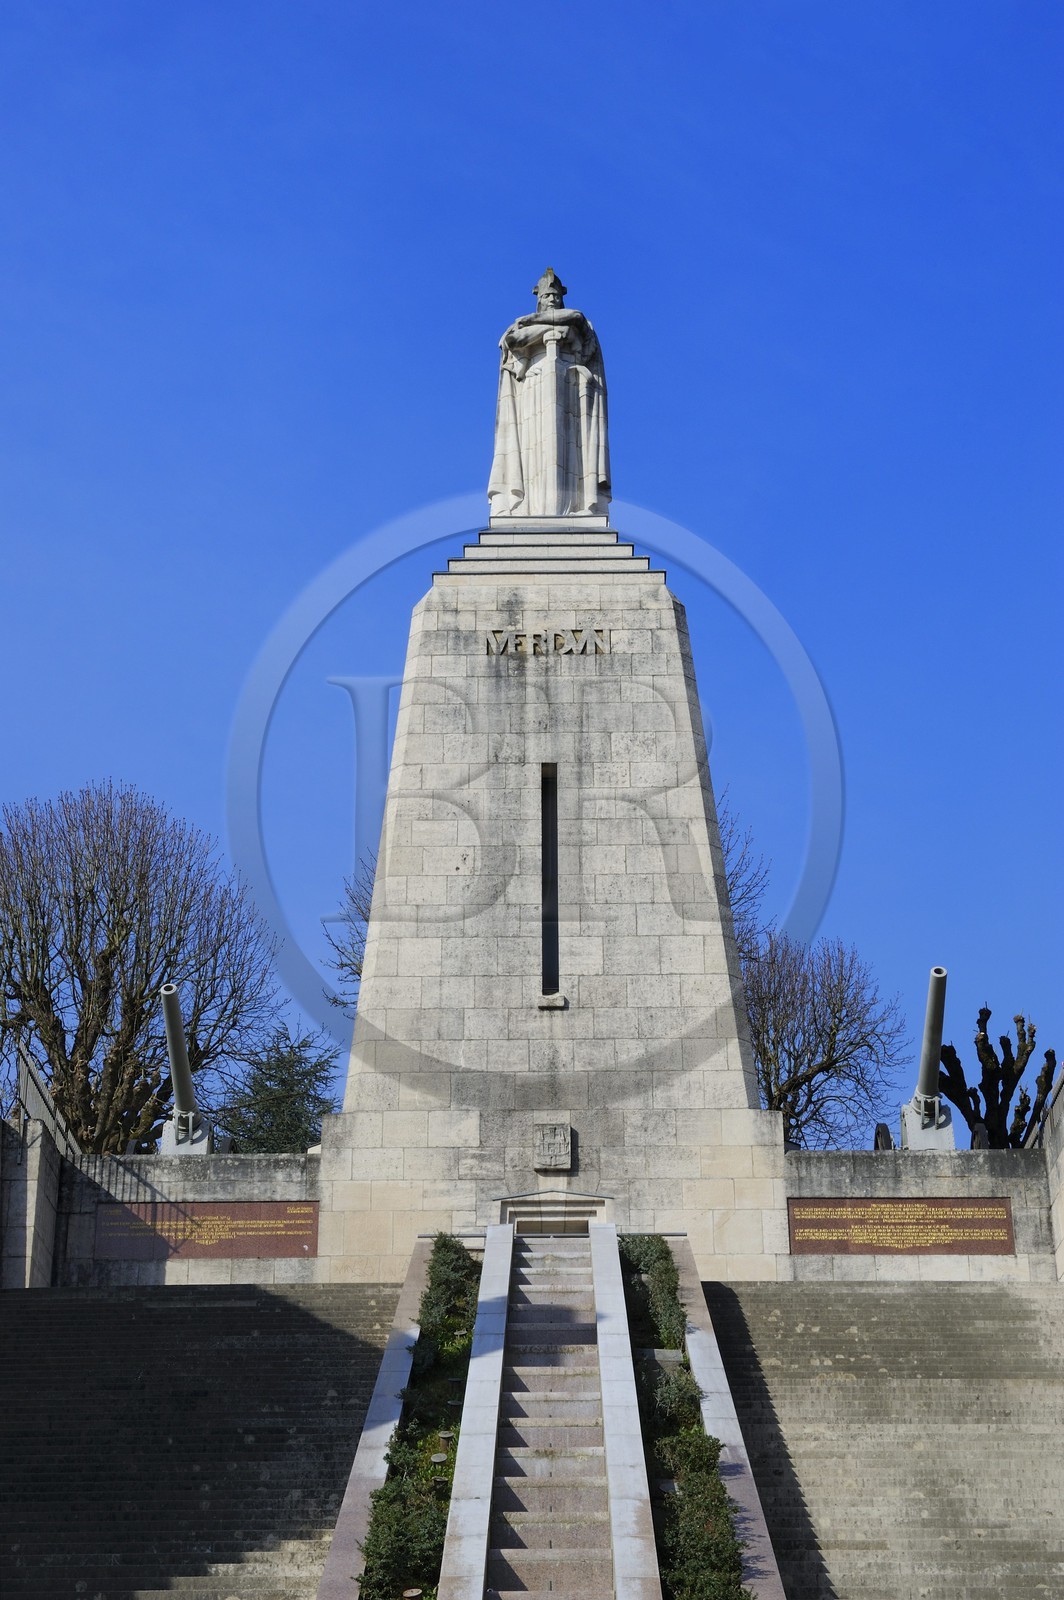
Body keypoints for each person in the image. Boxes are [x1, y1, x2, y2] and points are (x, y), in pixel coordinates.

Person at [488, 269, 611, 518]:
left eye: (555, 296)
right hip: (533, 387)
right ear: (539, 298)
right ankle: (528, 507)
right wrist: (546, 332)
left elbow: (576, 319)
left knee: (572, 449)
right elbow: (514, 341)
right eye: (547, 296)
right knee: (531, 451)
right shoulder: (518, 325)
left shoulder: (581, 324)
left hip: (570, 389)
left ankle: (576, 505)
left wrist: (533, 327)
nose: (552, 299)